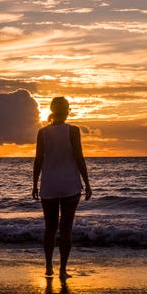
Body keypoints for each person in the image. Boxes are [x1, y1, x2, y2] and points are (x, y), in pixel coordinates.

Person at [32, 96, 92, 279]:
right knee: (66, 229)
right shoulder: (73, 131)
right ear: (66, 110)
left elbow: (38, 160)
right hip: (69, 185)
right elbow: (79, 158)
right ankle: (63, 270)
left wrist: (34, 184)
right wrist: (87, 183)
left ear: (52, 110)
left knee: (50, 228)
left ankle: (48, 267)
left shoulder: (42, 132)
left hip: (49, 184)